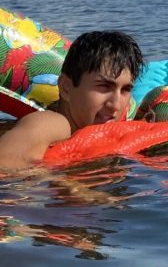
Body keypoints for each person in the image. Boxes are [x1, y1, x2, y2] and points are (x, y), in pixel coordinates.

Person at [0, 30, 144, 170]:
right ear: (66, 87)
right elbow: (4, 166)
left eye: (125, 89)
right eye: (104, 86)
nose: (116, 105)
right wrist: (68, 185)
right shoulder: (53, 123)